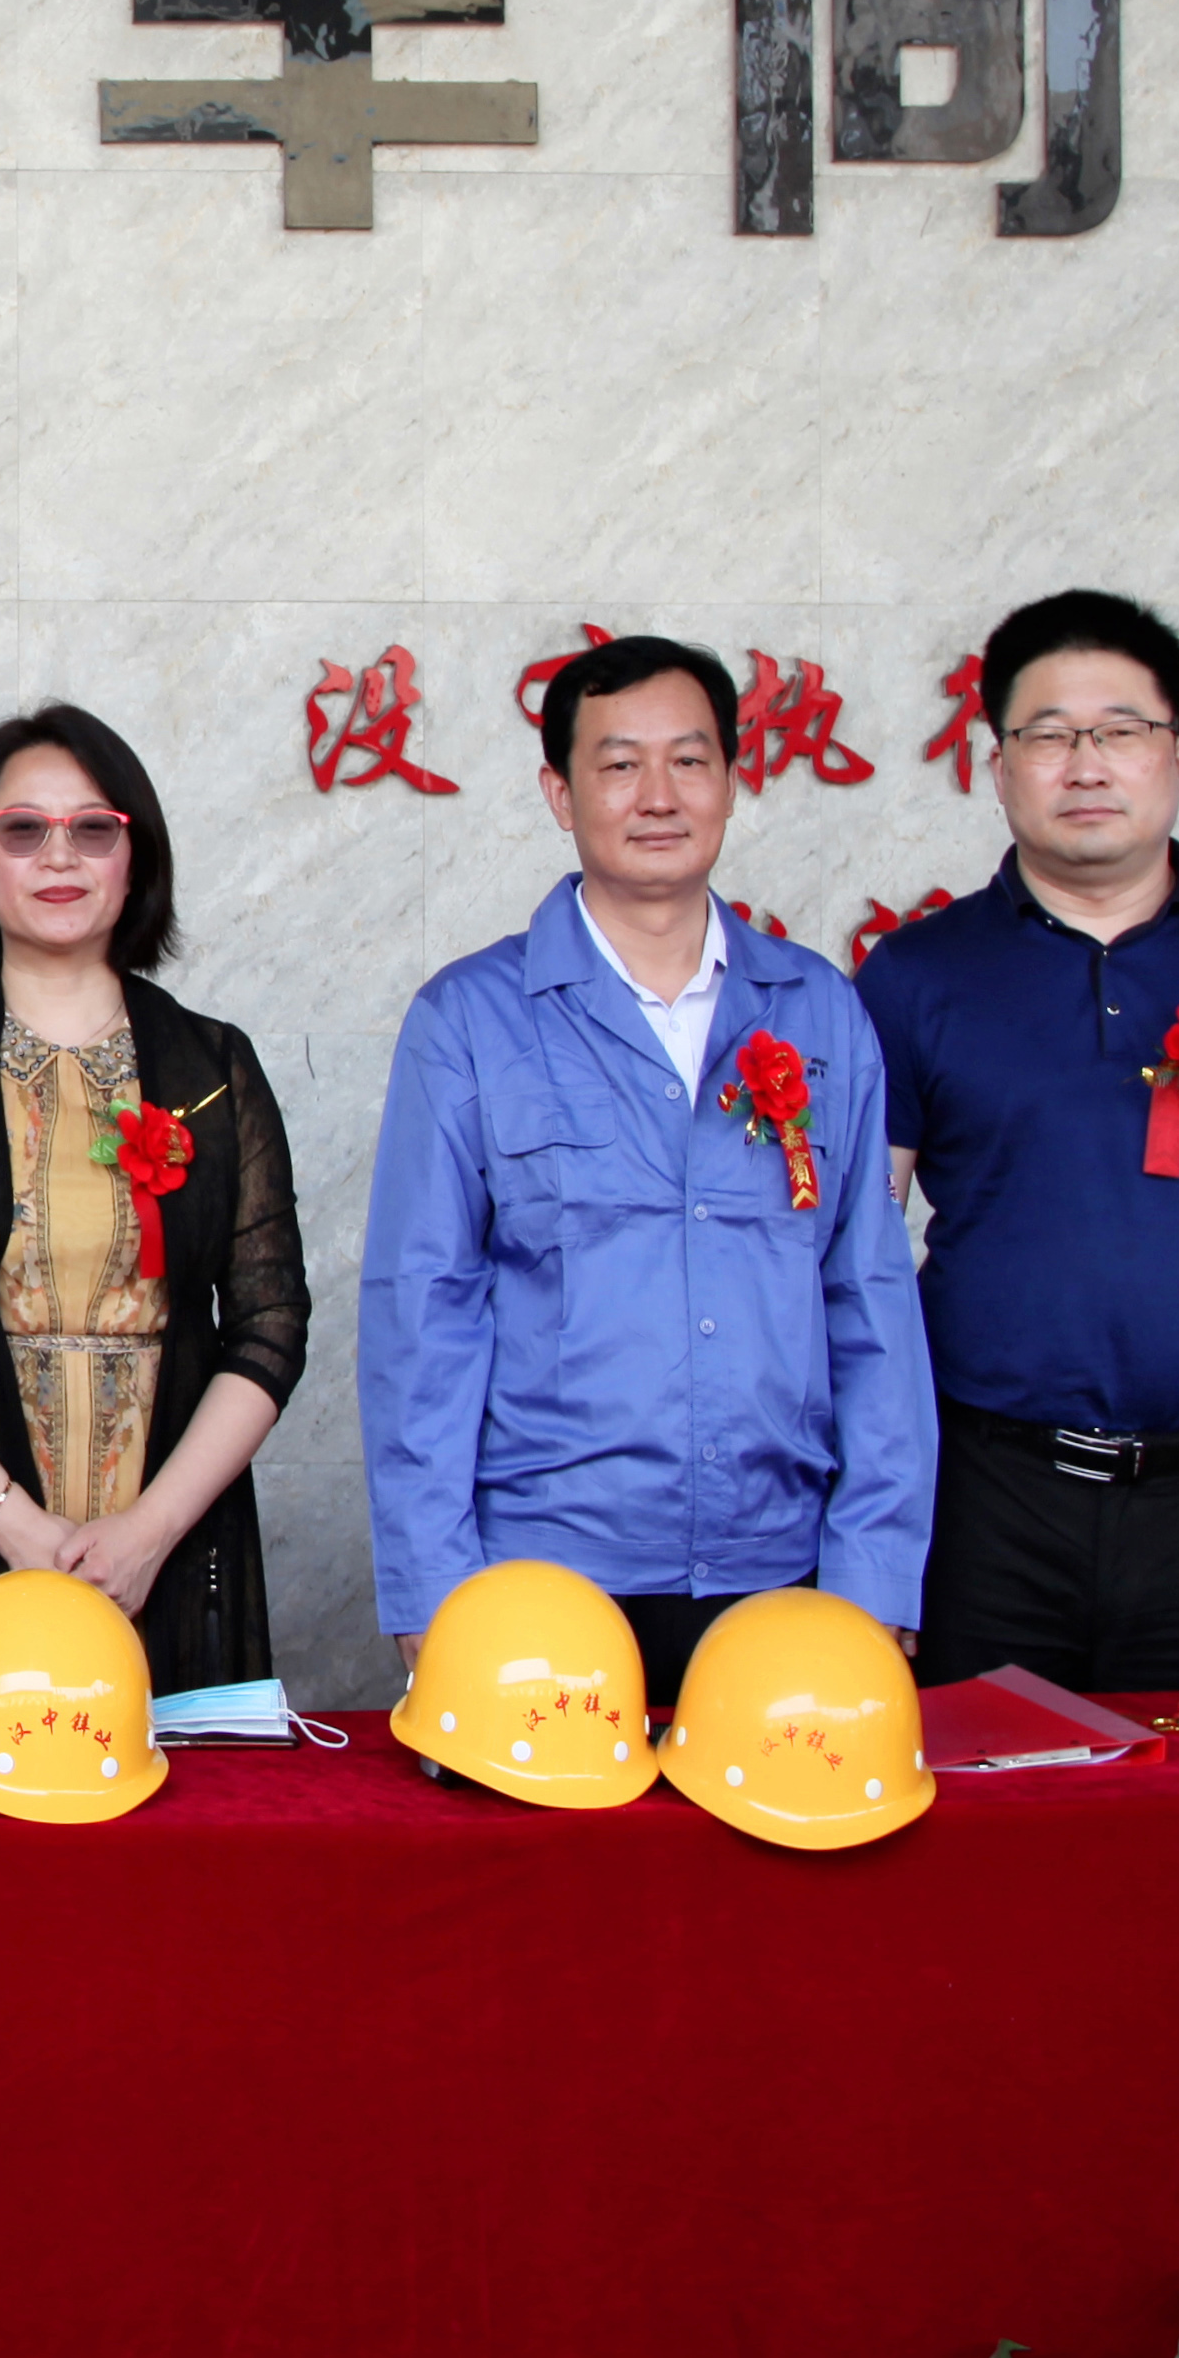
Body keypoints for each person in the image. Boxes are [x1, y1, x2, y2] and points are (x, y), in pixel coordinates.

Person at [361, 634, 933, 1701]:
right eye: (620, 764)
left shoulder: (817, 1011)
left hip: (783, 1574)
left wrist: (878, 1573)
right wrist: (433, 1590)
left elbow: (869, 1300)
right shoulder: (471, 1021)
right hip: (542, 1580)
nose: (658, 796)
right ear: (560, 793)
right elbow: (422, 1313)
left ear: (732, 781)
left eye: (690, 760)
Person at [858, 592, 1179, 1693]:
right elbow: (859, 1257)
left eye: (1121, 731)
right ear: (998, 767)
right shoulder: (918, 976)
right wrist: (875, 1525)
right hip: (983, 1501)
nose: (1086, 765)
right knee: (984, 1791)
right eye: (1049, 735)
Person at [0, 704, 304, 1712]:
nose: (59, 856)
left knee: (184, 1807)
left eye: (93, 829)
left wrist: (148, 1534)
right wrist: (19, 1531)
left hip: (173, 1549)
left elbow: (270, 1321)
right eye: (23, 829)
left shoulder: (214, 1067)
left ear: (136, 860)